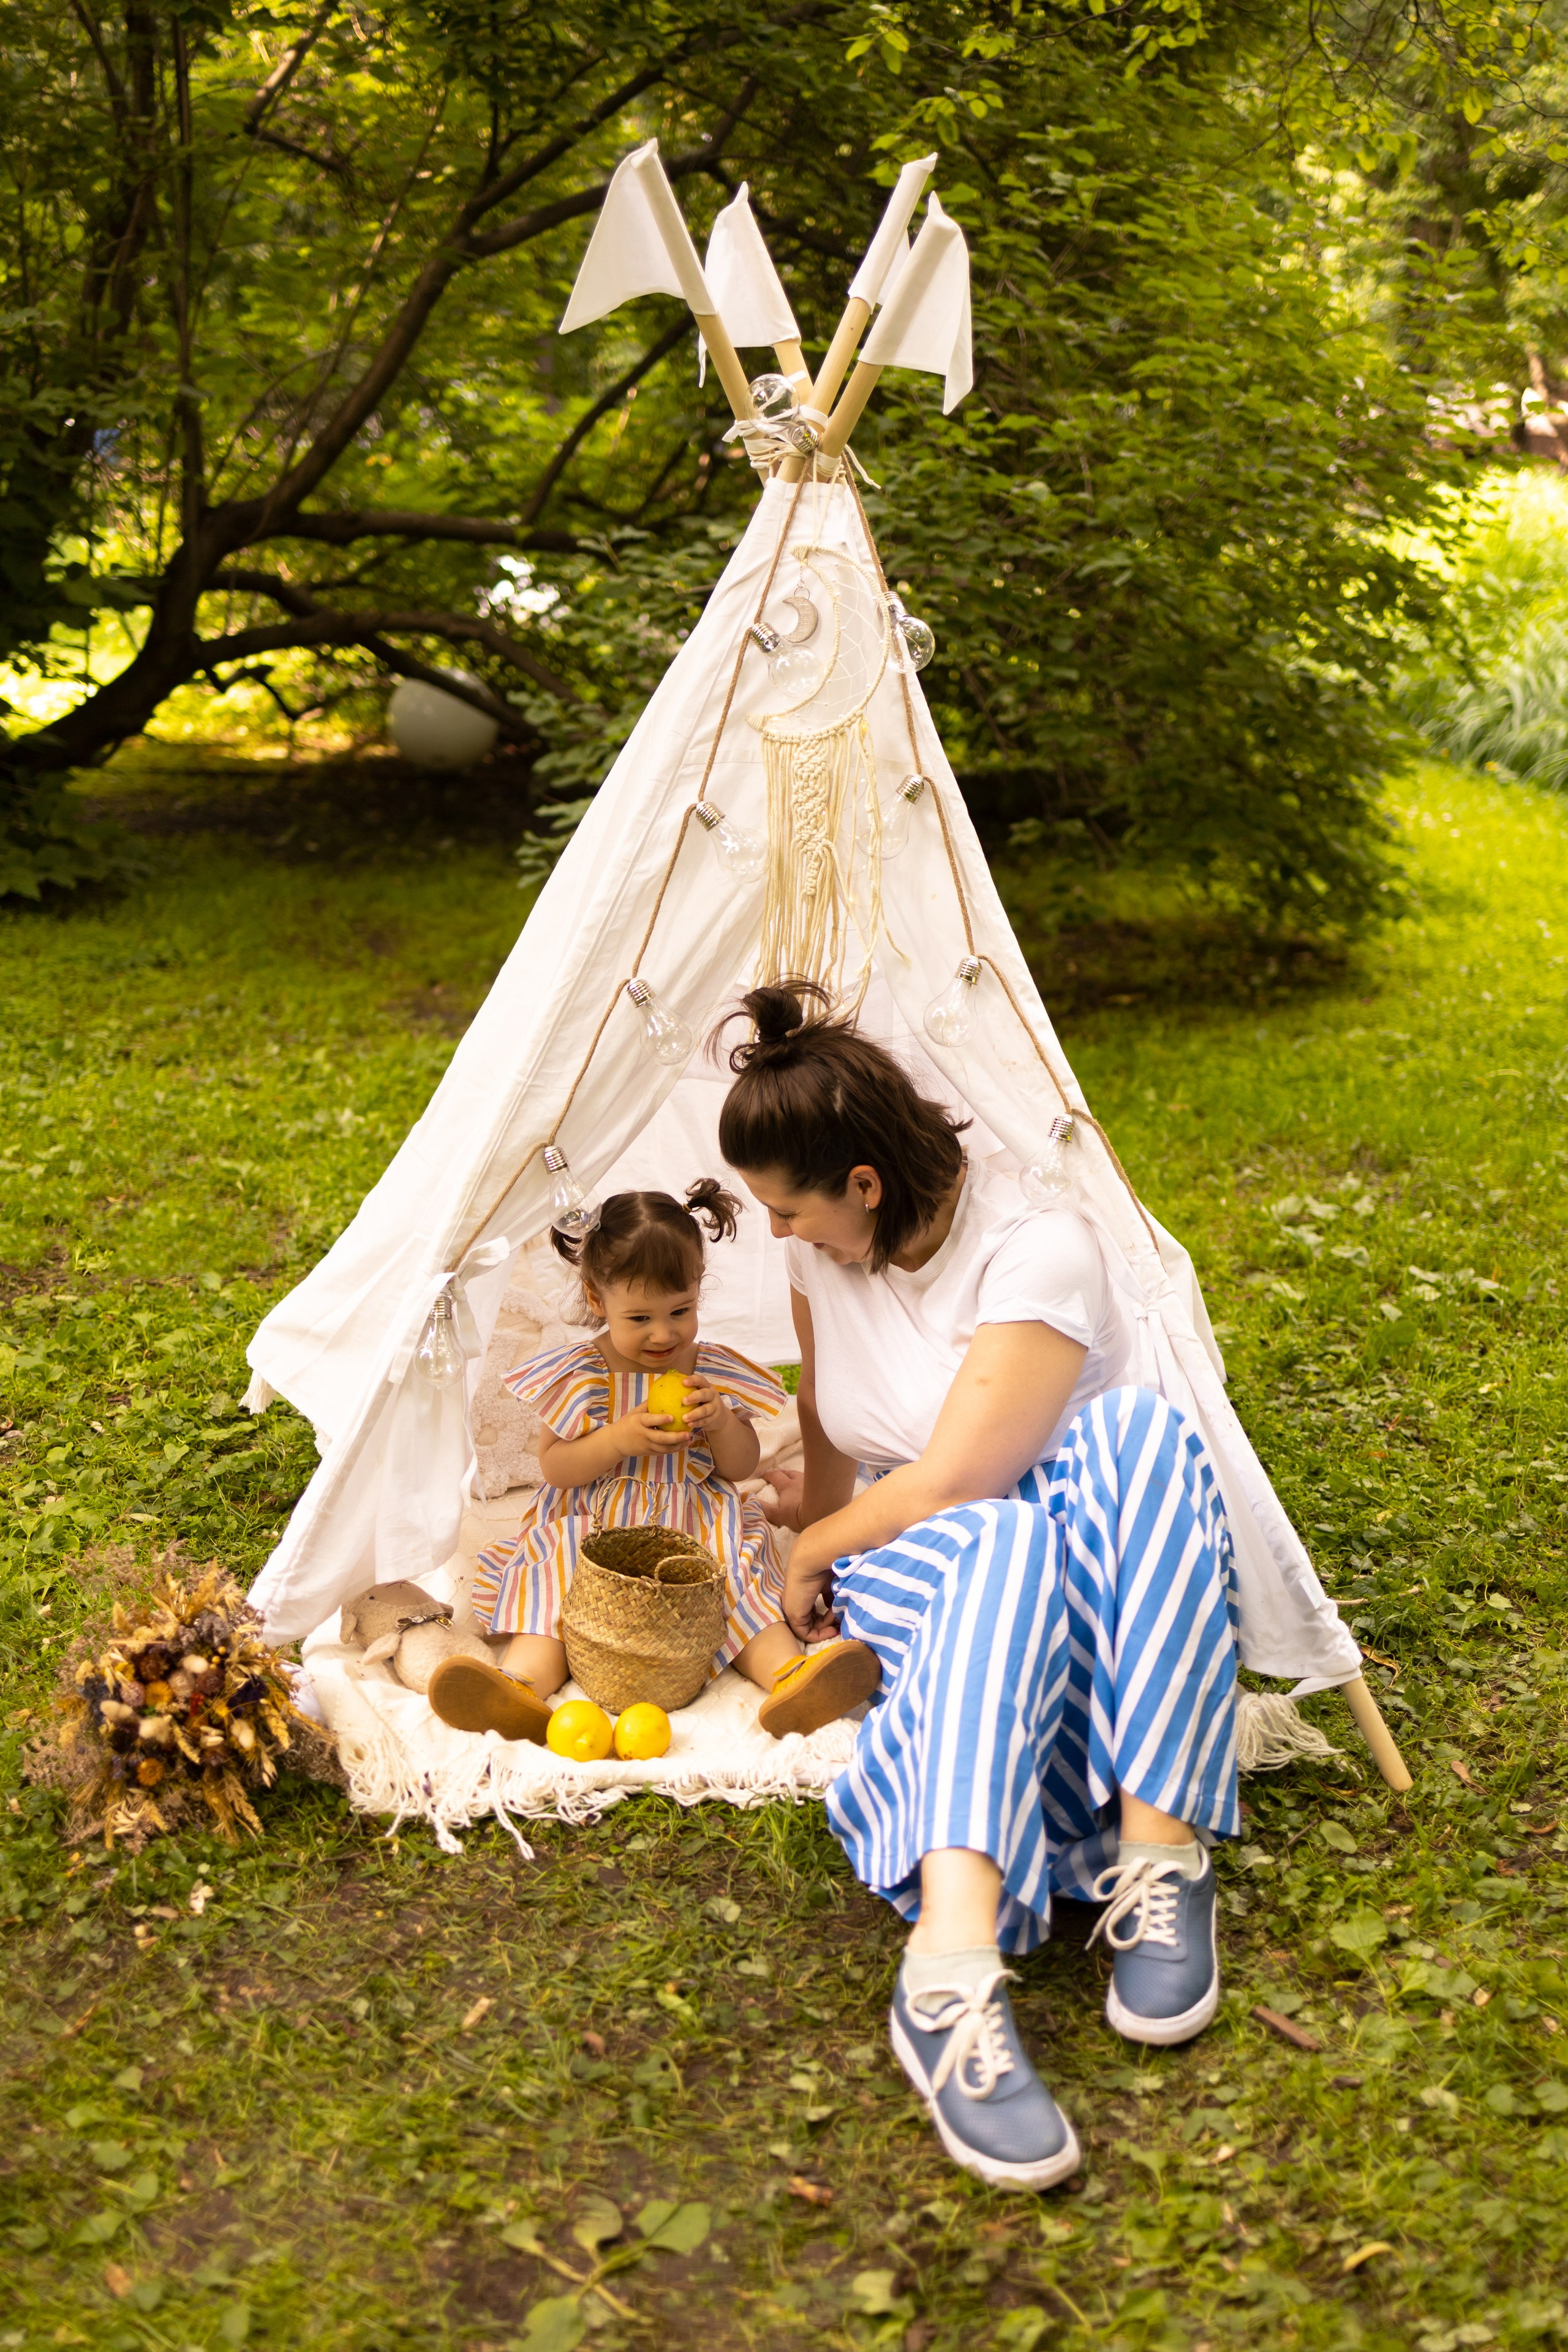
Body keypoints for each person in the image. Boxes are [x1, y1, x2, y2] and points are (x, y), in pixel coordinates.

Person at [717, 984, 1242, 2193]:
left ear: (859, 1184)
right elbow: (831, 1419)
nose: (778, 1235)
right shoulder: (825, 1257)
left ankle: (1156, 1856)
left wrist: (805, 1550)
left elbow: (963, 1472)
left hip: (1058, 1557)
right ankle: (947, 1978)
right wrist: (812, 1517)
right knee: (995, 1546)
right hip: (941, 1571)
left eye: (786, 1209)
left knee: (1142, 1440)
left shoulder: (1033, 1246)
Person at [428, 1181, 881, 1744]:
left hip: (693, 1519)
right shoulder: (584, 1373)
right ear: (598, 1301)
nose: (664, 1334)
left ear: (698, 1293)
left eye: (681, 1311)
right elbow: (556, 1469)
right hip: (597, 1519)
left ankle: (790, 1678)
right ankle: (519, 1686)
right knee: (556, 1572)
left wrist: (720, 1423)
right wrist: (616, 1440)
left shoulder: (709, 1370)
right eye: (640, 1318)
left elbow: (740, 1467)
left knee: (736, 1569)